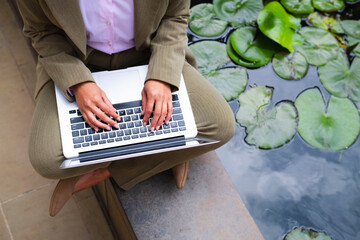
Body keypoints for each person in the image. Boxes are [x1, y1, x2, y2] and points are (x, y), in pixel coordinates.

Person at [17, 0, 235, 217]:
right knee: (46, 161)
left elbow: (175, 16)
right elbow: (41, 32)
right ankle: (172, 151)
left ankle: (105, 171)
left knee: (220, 127)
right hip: (77, 58)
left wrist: (161, 75)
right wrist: (79, 83)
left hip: (149, 53)